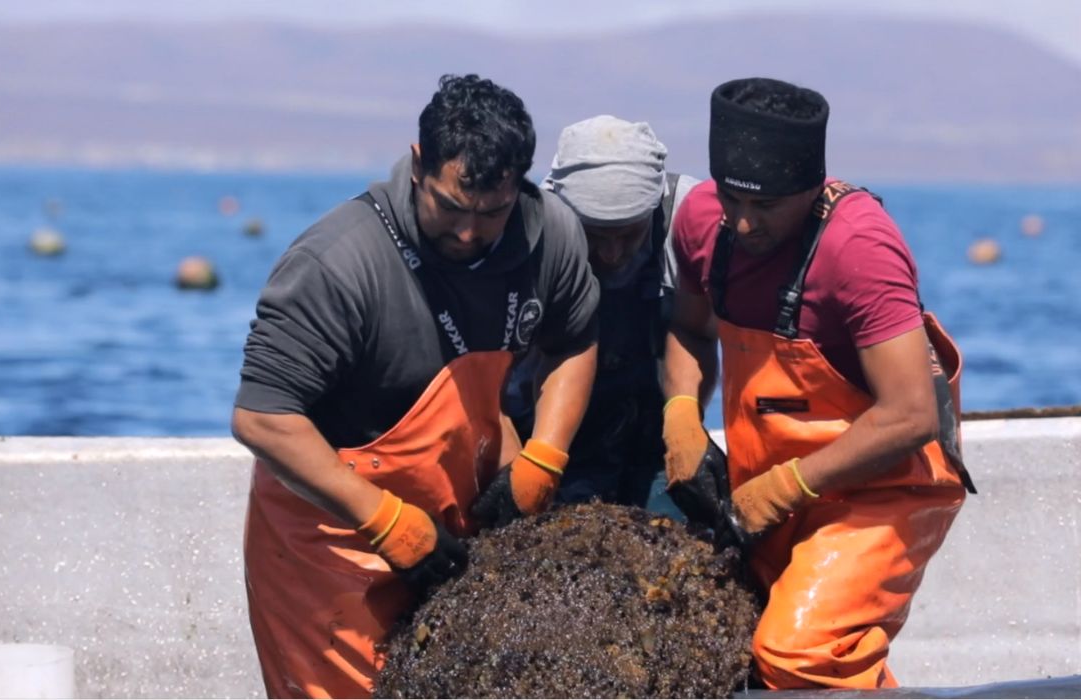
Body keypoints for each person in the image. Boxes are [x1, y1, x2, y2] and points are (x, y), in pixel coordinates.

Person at [230, 74, 599, 699]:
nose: (466, 232)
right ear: (418, 162)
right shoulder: (338, 263)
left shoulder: (550, 235)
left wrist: (547, 452)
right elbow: (263, 419)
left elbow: (574, 339)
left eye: (491, 213)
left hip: (459, 509)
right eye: (449, 207)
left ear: (521, 185)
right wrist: (382, 519)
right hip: (333, 534)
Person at [662, 77, 975, 690]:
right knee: (772, 646)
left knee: (797, 653)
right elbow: (690, 332)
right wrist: (680, 413)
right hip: (768, 491)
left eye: (767, 207)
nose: (745, 226)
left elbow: (913, 414)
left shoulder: (858, 248)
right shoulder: (701, 220)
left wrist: (788, 486)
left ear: (813, 188)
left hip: (884, 488)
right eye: (733, 200)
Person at [503, 115, 698, 509]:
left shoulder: (687, 220)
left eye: (629, 232)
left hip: (655, 433)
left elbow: (697, 331)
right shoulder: (525, 234)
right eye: (593, 234)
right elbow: (492, 375)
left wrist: (684, 419)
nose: (611, 254)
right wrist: (525, 462)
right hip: (549, 438)